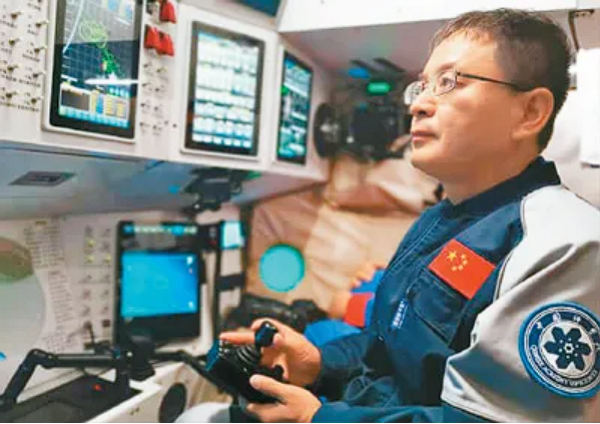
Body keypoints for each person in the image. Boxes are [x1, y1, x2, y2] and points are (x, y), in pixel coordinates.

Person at [178, 8, 600, 422]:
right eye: (422, 87)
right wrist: (320, 364)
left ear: (529, 113)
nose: (418, 106)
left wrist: (319, 419)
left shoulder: (565, 246)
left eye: (449, 82)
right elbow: (384, 350)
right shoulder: (442, 220)